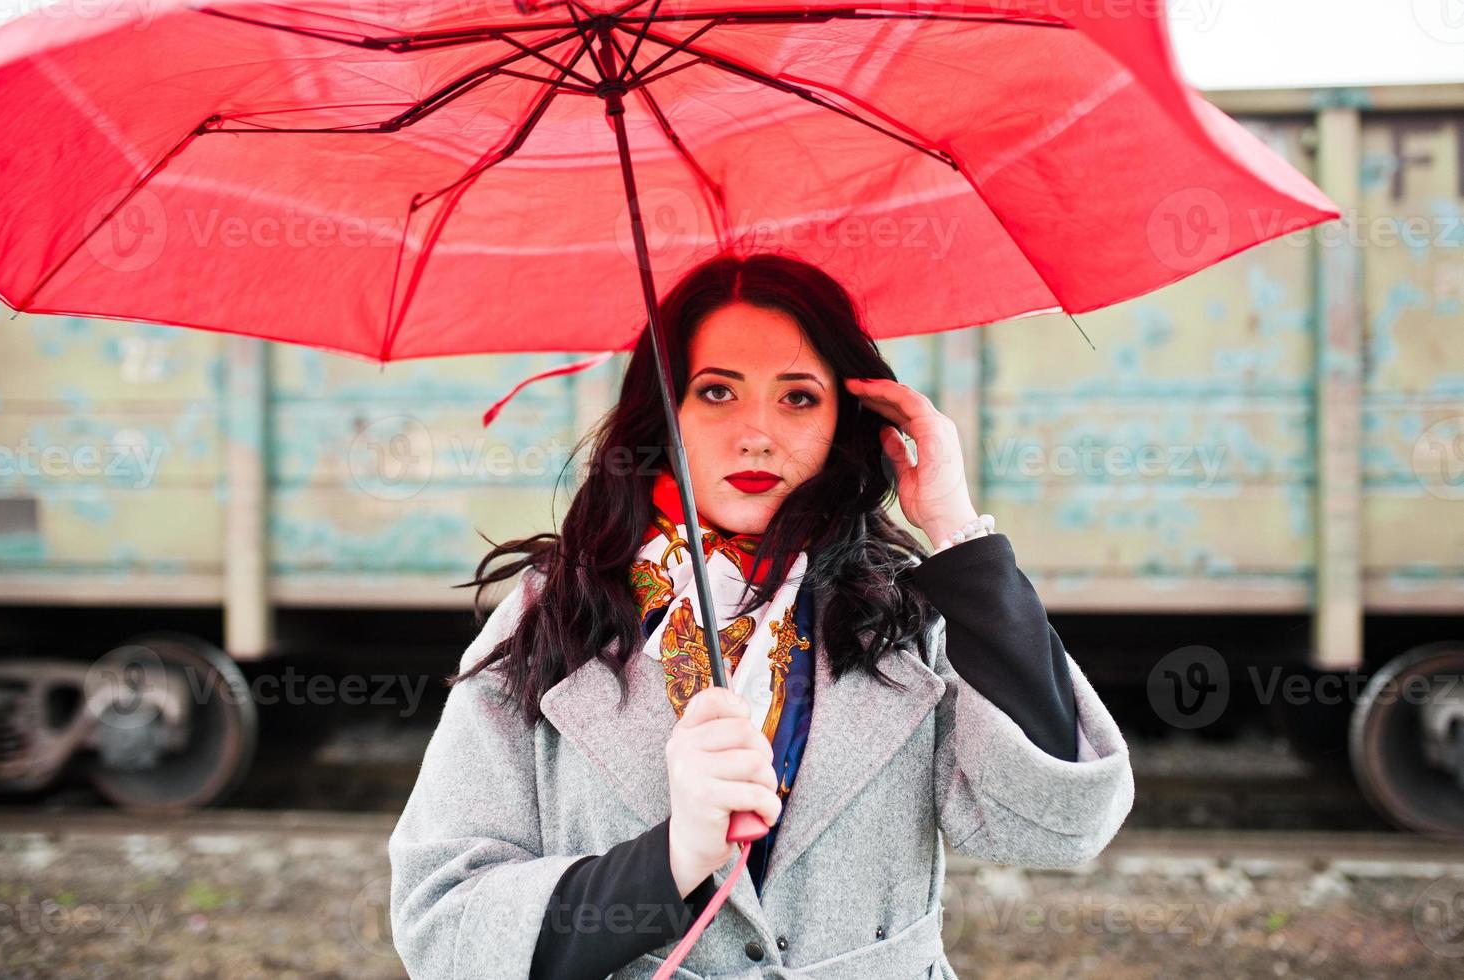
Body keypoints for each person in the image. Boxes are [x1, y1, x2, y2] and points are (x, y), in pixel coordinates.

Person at [388, 252, 1134, 980]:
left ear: (847, 418)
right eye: (716, 392)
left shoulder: (897, 609)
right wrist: (671, 858)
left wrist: (956, 532)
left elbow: (1052, 826)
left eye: (797, 397)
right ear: (663, 414)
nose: (757, 433)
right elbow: (445, 923)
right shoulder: (553, 614)